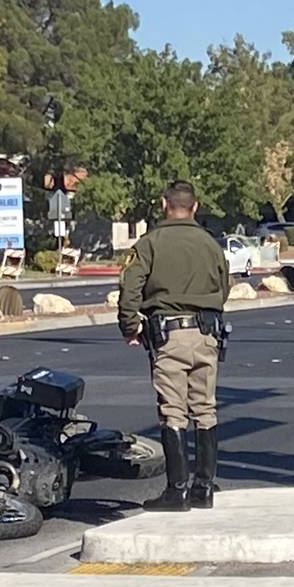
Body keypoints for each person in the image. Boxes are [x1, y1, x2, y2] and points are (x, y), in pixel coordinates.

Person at [118, 181, 230, 511]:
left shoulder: (150, 243)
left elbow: (130, 289)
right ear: (195, 207)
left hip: (169, 333)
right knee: (205, 407)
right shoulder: (211, 244)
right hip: (208, 332)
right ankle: (204, 486)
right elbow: (224, 288)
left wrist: (130, 326)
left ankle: (177, 490)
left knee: (173, 410)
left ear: (165, 204)